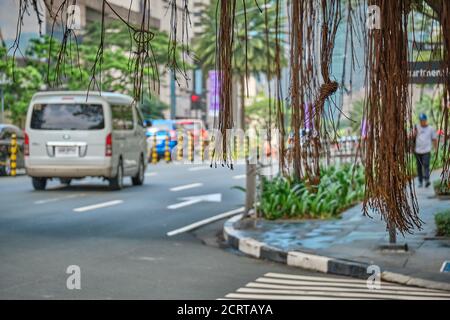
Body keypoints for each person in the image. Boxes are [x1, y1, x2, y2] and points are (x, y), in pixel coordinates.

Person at [414, 113, 438, 188]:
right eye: (421, 120)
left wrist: (435, 148)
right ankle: (420, 181)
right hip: (417, 151)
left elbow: (434, 139)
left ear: (426, 120)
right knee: (419, 167)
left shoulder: (430, 128)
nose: (422, 122)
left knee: (426, 165)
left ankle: (427, 180)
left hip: (426, 150)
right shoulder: (417, 127)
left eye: (423, 120)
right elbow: (413, 137)